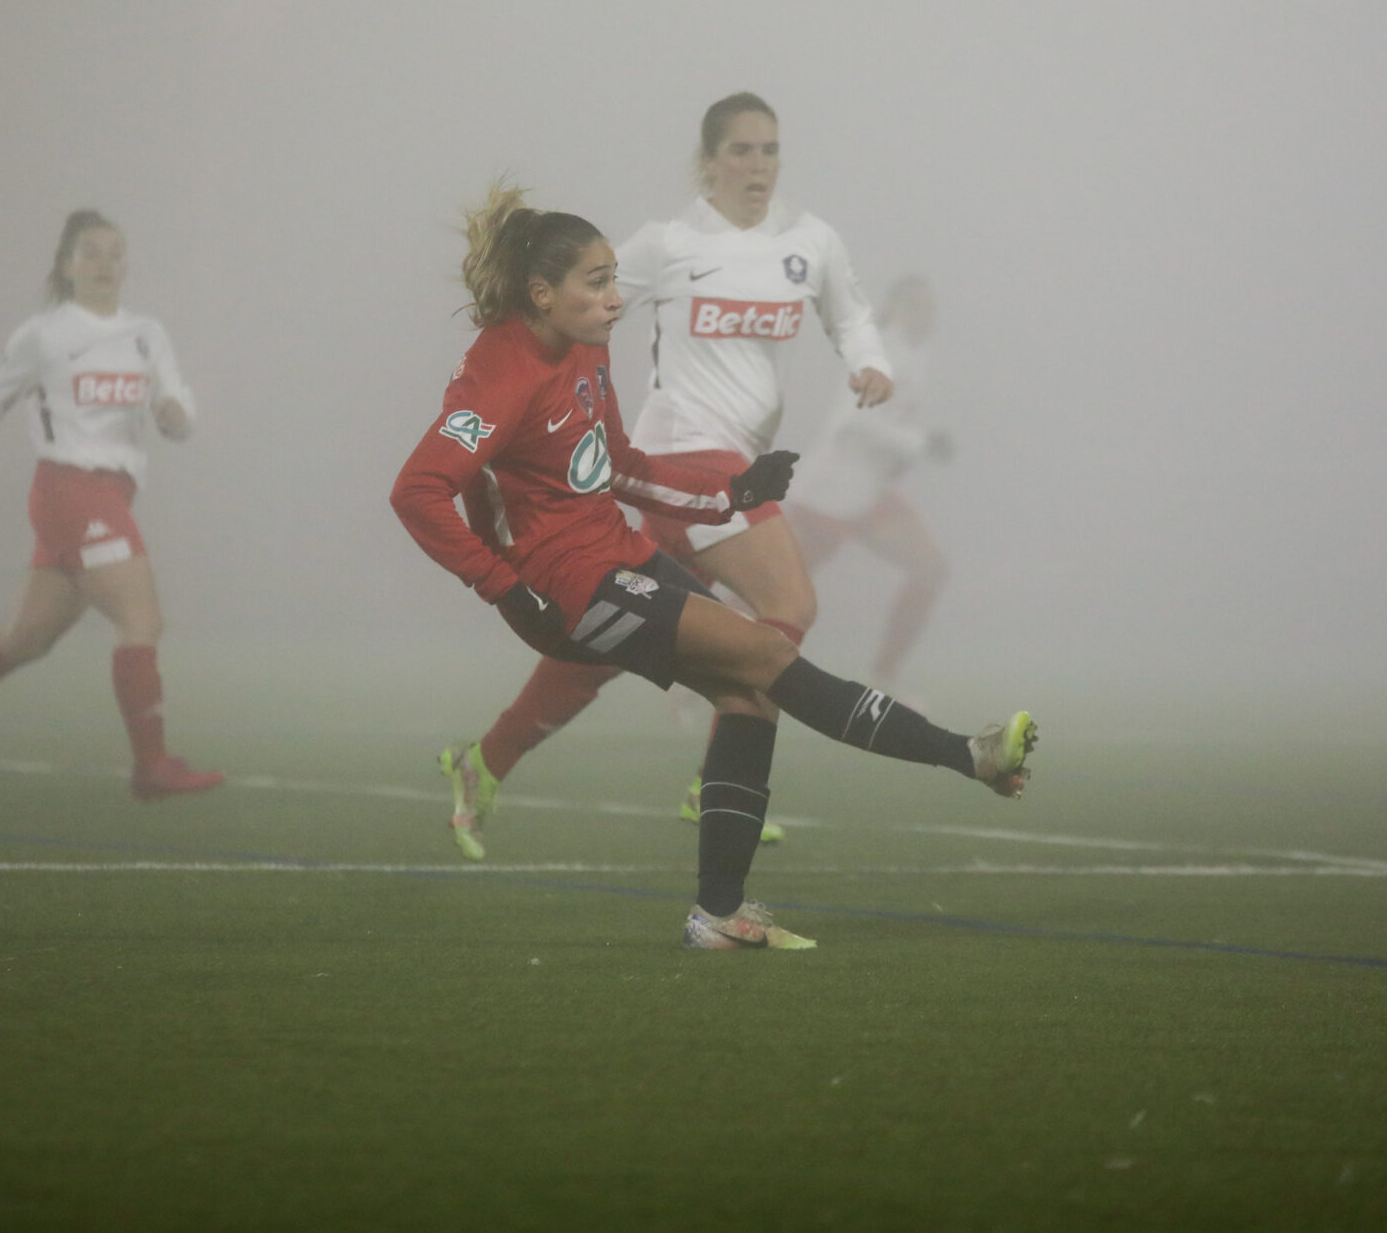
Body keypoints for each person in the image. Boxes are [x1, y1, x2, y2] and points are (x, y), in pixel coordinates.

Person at [392, 184, 1035, 950]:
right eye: (595, 283)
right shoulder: (499, 371)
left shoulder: (586, 349)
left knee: (748, 694)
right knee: (769, 653)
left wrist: (727, 493)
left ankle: (719, 916)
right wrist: (501, 583)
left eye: (611, 279)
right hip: (563, 586)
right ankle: (969, 755)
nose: (613, 298)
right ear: (541, 293)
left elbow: (620, 467)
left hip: (618, 553)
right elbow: (417, 490)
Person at [437, 92, 894, 859]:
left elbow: (848, 313)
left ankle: (485, 761)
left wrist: (869, 361)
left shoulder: (811, 243)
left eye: (770, 149)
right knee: (787, 601)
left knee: (616, 644)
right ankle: (721, 767)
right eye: (742, 150)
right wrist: (507, 376)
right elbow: (575, 297)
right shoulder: (668, 243)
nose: (759, 165)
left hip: (728, 466)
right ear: (708, 161)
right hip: (679, 450)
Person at [0, 210, 221, 801]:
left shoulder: (146, 333)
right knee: (142, 620)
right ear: (66, 265)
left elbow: (178, 404)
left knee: (24, 640)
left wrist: (176, 417)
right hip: (70, 490)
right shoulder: (45, 334)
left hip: (110, 493)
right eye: (90, 252)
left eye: (116, 253)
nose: (105, 264)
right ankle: (151, 765)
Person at [787, 276, 953, 695]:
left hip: (867, 494)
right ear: (893, 310)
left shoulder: (914, 358)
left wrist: (907, 451)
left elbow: (888, 423)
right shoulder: (880, 354)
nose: (924, 315)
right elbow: (855, 419)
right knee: (779, 594)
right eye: (913, 305)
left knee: (931, 569)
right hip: (830, 495)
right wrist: (920, 444)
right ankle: (689, 655)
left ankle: (882, 678)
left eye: (928, 306)